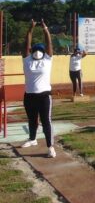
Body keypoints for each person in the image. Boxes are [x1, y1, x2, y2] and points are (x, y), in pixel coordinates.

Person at [20, 19, 56, 158]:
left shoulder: (47, 60)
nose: (37, 52)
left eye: (40, 50)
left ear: (43, 51)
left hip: (44, 96)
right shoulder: (27, 60)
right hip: (29, 96)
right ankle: (32, 139)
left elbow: (49, 43)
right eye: (35, 50)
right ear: (31, 51)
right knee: (32, 120)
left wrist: (45, 28)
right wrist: (30, 28)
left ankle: (50, 147)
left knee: (46, 121)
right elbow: (26, 44)